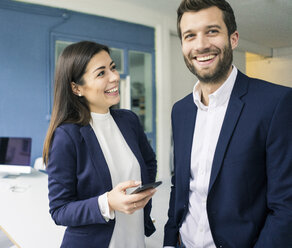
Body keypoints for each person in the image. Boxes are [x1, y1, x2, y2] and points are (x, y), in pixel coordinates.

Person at [164, 0, 292, 247]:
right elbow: (179, 185)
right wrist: (170, 241)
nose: (201, 45)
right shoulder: (180, 111)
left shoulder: (276, 103)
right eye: (190, 36)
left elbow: (286, 206)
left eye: (212, 31)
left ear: (233, 39)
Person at [43, 41, 157, 248]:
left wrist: (142, 193)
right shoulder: (67, 136)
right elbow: (59, 210)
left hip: (135, 240)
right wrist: (107, 203)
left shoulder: (129, 120)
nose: (115, 77)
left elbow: (149, 162)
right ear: (76, 88)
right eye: (101, 73)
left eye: (112, 68)